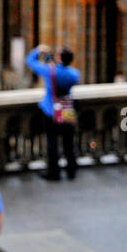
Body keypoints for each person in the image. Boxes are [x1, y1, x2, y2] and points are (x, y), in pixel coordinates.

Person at [24, 44, 81, 182]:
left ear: (60, 58)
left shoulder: (50, 72)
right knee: (68, 141)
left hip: (51, 110)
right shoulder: (74, 74)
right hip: (67, 109)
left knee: (52, 142)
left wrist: (39, 50)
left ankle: (54, 172)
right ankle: (71, 170)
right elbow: (66, 76)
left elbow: (30, 61)